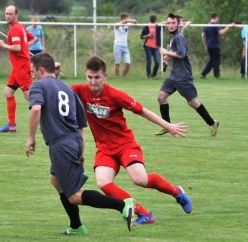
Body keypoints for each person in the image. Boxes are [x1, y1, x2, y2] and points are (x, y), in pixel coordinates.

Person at [71, 56, 193, 225]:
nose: (93, 82)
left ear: (105, 76)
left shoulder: (115, 95)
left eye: (97, 77)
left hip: (125, 145)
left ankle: (176, 192)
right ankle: (143, 213)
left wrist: (168, 125)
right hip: (105, 149)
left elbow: (143, 111)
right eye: (90, 77)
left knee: (140, 180)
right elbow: (57, 90)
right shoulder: (80, 91)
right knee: (103, 182)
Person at [25, 52, 135, 234]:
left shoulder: (38, 85)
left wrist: (30, 138)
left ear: (41, 70)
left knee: (75, 195)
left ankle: (123, 205)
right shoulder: (68, 89)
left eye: (33, 71)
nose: (32, 75)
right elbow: (80, 123)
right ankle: (76, 226)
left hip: (60, 145)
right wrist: (81, 150)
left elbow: (36, 108)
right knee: (56, 180)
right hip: (74, 141)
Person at [157, 13, 219, 137]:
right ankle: (167, 125)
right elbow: (175, 54)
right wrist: (167, 58)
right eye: (168, 23)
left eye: (173, 23)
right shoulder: (174, 37)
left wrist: (166, 52)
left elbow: (181, 54)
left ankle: (212, 122)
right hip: (173, 75)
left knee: (192, 102)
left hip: (182, 76)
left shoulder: (179, 37)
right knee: (161, 97)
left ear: (178, 24)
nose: (170, 25)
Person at [0, 5, 35, 132]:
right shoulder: (19, 27)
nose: (8, 16)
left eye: (10, 14)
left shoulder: (15, 29)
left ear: (16, 15)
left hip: (22, 67)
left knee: (31, 97)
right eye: (6, 13)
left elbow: (17, 47)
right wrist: (24, 48)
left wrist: (4, 45)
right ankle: (12, 125)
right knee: (8, 92)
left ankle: (53, 118)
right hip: (17, 68)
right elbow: (32, 39)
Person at [201, 13, 234, 79]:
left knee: (212, 61)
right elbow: (221, 32)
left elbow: (202, 35)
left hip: (209, 46)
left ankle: (204, 73)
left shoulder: (207, 25)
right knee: (216, 61)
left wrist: (205, 45)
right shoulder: (215, 25)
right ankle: (216, 75)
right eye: (218, 18)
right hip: (215, 46)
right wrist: (229, 26)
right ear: (216, 18)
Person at [113, 13, 137, 78]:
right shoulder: (117, 24)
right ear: (122, 18)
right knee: (117, 63)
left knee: (128, 63)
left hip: (125, 47)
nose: (128, 20)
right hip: (117, 46)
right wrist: (127, 21)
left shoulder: (127, 25)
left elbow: (135, 22)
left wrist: (131, 21)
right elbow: (117, 26)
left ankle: (123, 77)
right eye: (127, 18)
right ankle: (117, 78)